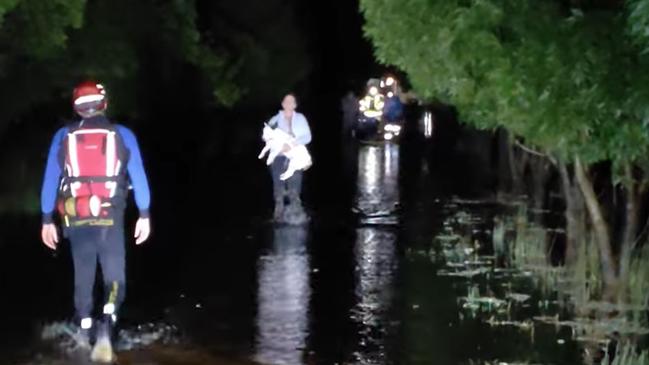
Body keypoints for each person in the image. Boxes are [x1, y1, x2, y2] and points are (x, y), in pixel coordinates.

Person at [40, 81, 151, 361]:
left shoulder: (62, 136)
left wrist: (46, 219)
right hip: (110, 219)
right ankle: (106, 324)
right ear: (104, 104)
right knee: (116, 279)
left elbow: (50, 180)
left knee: (83, 276)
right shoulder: (122, 134)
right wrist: (144, 214)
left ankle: (83, 329)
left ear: (76, 107)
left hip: (76, 217)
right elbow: (138, 176)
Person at [265, 93, 312, 221]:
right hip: (278, 156)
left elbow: (307, 137)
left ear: (295, 105)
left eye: (291, 102)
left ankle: (296, 208)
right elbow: (267, 137)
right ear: (282, 104)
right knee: (278, 182)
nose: (289, 104)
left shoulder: (301, 119)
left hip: (295, 156)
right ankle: (278, 209)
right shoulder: (274, 120)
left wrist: (294, 143)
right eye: (286, 101)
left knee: (295, 182)